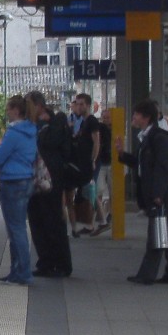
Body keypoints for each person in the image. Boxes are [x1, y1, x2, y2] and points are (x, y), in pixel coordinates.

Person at [117, 99, 168, 285]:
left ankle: (147, 275)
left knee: (157, 234)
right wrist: (123, 155)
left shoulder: (159, 138)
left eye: (136, 114)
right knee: (167, 233)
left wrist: (158, 195)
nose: (133, 117)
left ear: (145, 118)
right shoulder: (148, 137)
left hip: (161, 195)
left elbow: (163, 168)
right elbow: (142, 165)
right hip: (159, 194)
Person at [25, 90, 73, 277]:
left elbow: (51, 143)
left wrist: (44, 124)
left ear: (40, 105)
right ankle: (45, 262)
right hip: (33, 179)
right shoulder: (28, 124)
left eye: (29, 105)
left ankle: (62, 264)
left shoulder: (57, 120)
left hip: (52, 180)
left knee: (53, 220)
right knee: (36, 221)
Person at [0, 95, 38, 285]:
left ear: (17, 111)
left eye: (9, 109)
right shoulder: (31, 131)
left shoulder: (13, 133)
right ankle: (16, 271)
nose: (7, 112)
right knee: (16, 227)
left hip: (12, 181)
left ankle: (23, 272)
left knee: (16, 229)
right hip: (26, 179)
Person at [66, 93, 100, 237]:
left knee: (87, 192)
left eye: (81, 104)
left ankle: (99, 221)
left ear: (88, 105)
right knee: (87, 192)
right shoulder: (84, 121)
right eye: (77, 104)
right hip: (80, 163)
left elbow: (97, 142)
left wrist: (93, 160)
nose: (78, 107)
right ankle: (92, 223)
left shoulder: (91, 120)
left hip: (85, 164)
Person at [92, 108, 113, 232]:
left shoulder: (117, 130)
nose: (105, 120)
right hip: (101, 163)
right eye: (104, 117)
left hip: (112, 163)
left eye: (108, 117)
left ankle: (109, 214)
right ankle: (100, 215)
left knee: (112, 191)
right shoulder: (99, 129)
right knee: (98, 189)